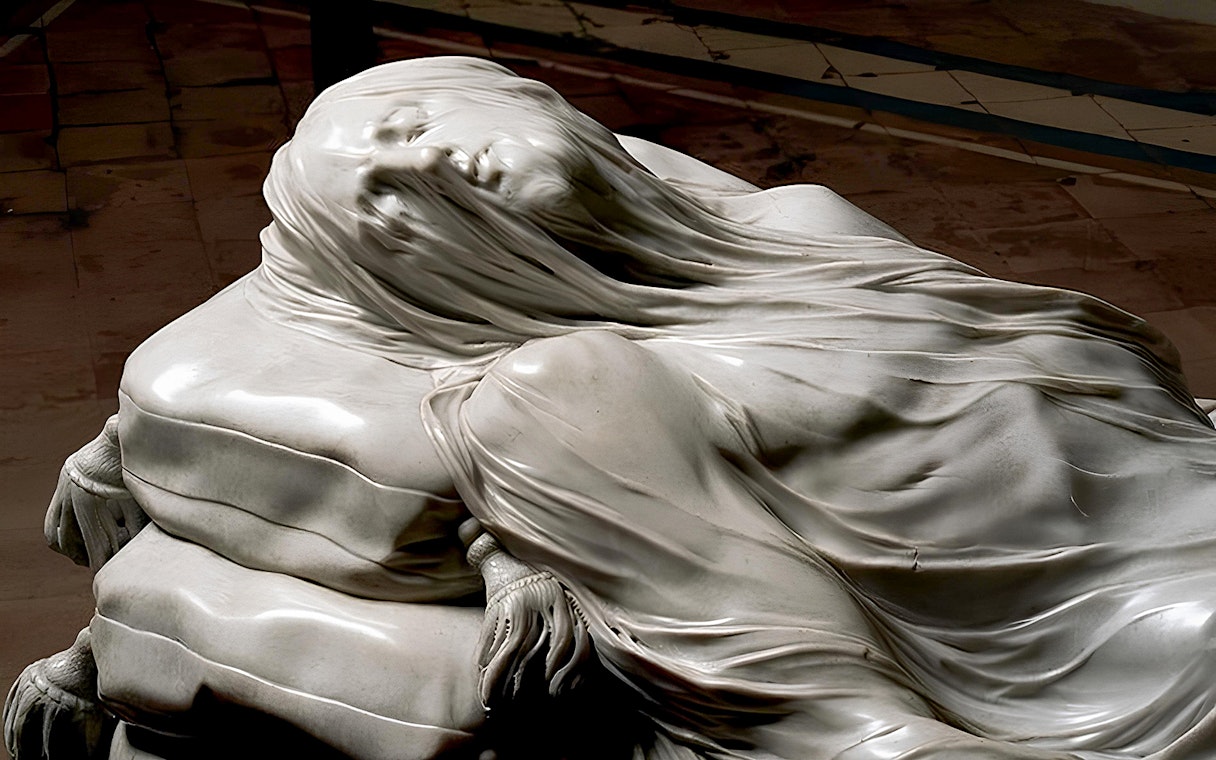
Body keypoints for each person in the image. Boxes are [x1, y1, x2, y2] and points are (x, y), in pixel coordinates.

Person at [9, 56, 1216, 760]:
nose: (419, 164)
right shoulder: (565, 397)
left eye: (408, 124)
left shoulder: (804, 230)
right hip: (1146, 653)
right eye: (381, 201)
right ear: (424, 280)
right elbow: (816, 711)